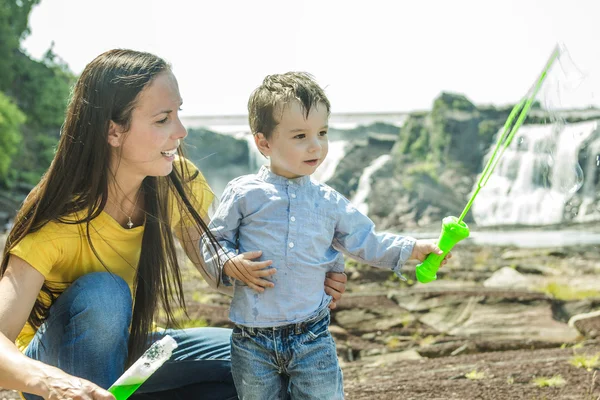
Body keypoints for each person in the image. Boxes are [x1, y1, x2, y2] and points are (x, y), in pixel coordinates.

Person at [0, 50, 347, 400]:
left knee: (260, 358)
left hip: (137, 352)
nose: (180, 131)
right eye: (163, 119)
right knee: (104, 294)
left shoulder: (174, 181)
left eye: (178, 113)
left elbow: (222, 271)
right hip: (60, 374)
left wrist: (304, 275)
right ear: (113, 131)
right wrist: (50, 383)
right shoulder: (58, 218)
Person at [204, 72, 451, 400]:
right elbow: (214, 240)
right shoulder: (244, 192)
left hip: (311, 336)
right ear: (263, 142)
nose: (316, 145)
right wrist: (230, 262)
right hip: (252, 341)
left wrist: (414, 248)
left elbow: (367, 240)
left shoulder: (329, 202)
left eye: (322, 133)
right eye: (300, 136)